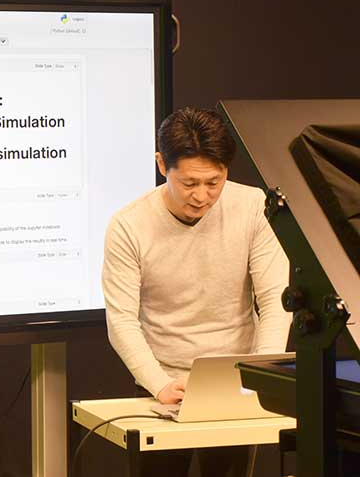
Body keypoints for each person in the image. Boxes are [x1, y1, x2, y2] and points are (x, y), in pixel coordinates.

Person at [102, 107, 291, 477]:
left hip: (236, 380)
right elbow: (121, 320)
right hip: (162, 381)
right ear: (162, 164)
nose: (202, 196)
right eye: (189, 183)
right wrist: (159, 384)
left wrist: (261, 376)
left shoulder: (254, 206)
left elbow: (275, 300)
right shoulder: (128, 225)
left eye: (214, 182)